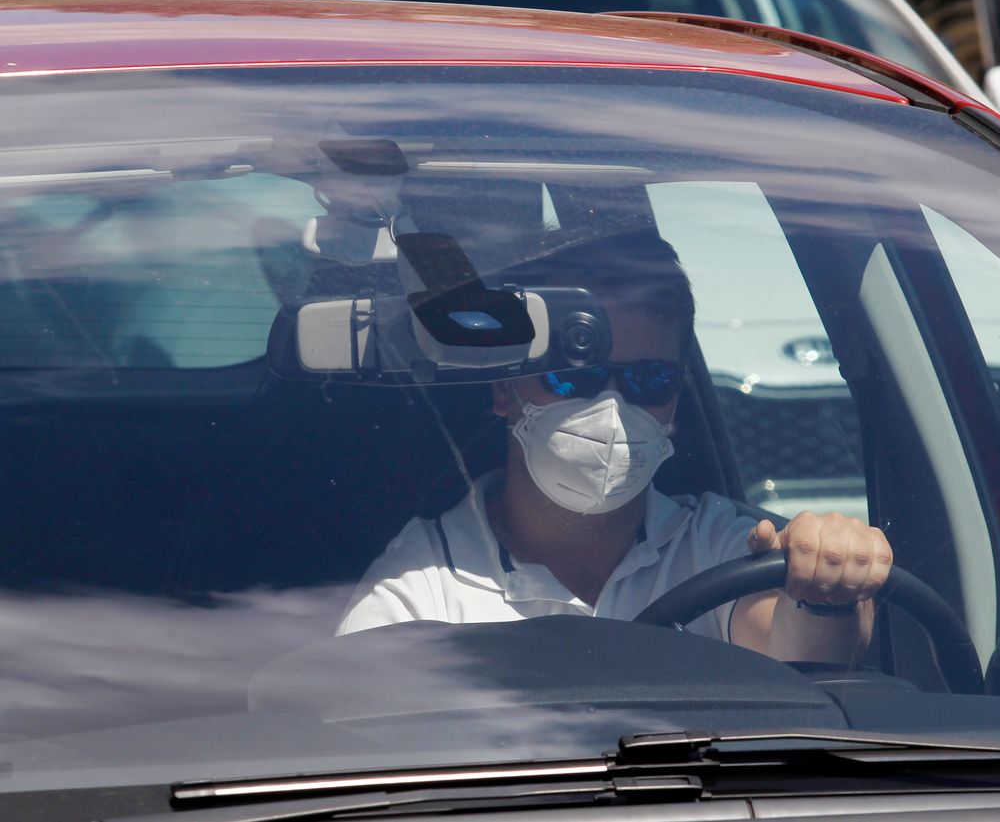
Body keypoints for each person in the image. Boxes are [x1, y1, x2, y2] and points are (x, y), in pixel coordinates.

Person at [338, 231, 893, 663]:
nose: (611, 408)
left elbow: (804, 653)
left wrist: (827, 585)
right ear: (505, 387)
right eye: (572, 377)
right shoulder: (420, 588)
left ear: (678, 394)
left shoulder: (721, 547)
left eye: (648, 380)